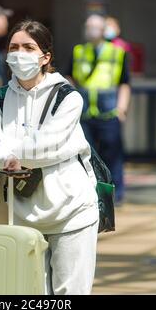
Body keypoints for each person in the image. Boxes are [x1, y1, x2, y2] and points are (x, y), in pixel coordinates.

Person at [0, 20, 99, 295]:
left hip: (72, 212)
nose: (20, 53)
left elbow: (46, 146)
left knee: (70, 293)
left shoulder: (67, 97)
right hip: (22, 215)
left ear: (45, 57)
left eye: (28, 47)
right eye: (14, 47)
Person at [65, 14, 131, 205]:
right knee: (85, 155)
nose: (91, 30)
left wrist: (122, 109)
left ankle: (115, 196)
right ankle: (89, 195)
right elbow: (69, 77)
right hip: (85, 113)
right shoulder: (78, 51)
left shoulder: (117, 52)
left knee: (113, 155)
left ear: (104, 29)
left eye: (95, 27)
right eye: (88, 26)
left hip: (109, 112)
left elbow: (124, 83)